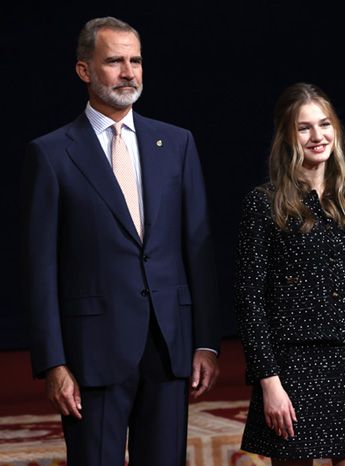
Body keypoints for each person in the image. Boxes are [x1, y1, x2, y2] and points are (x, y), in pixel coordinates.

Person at [20, 17, 221, 466]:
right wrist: (53, 363)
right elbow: (40, 267)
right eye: (114, 61)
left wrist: (206, 341)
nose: (129, 72)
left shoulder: (178, 143)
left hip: (168, 347)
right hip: (91, 351)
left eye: (136, 60)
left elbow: (198, 248)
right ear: (84, 70)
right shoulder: (51, 154)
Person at [235, 82, 345, 466]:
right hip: (292, 367)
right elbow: (249, 299)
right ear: (287, 136)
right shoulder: (264, 202)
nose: (317, 136)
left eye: (324, 124)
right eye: (304, 127)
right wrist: (268, 382)